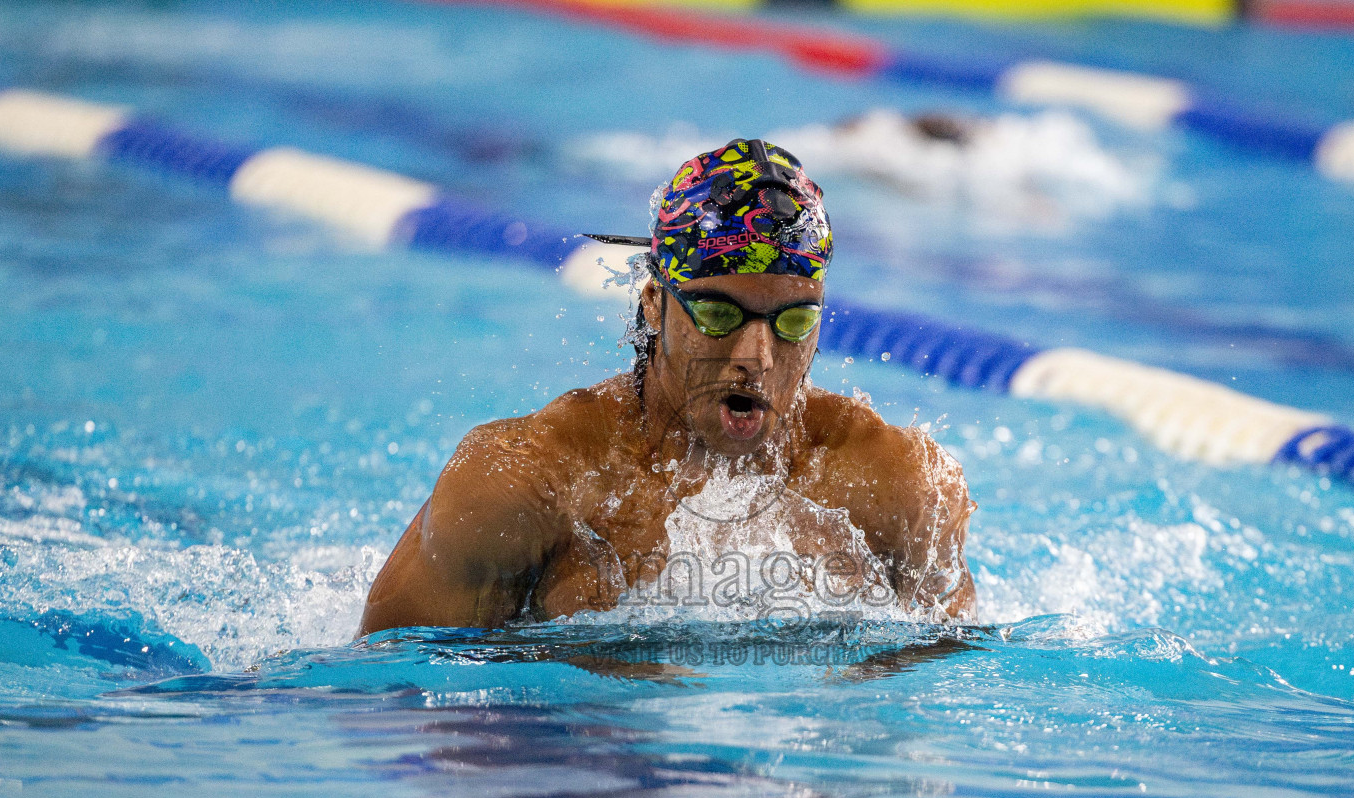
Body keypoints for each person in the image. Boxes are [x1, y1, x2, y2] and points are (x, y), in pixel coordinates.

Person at [358, 139, 975, 634]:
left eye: (793, 322)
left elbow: (937, 706)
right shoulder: (525, 484)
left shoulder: (894, 486)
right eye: (718, 314)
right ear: (655, 303)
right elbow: (389, 699)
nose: (756, 356)